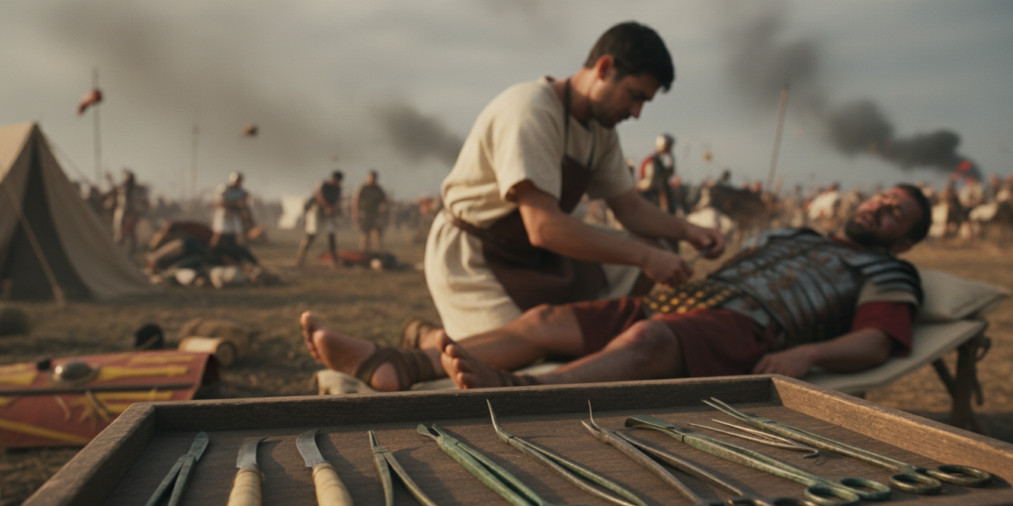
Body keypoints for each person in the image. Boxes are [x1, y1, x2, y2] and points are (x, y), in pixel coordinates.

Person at [301, 184, 931, 393]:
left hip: (750, 329)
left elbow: (877, 342)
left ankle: (525, 392)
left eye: (895, 212)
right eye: (881, 197)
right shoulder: (790, 234)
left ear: (904, 241)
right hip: (691, 301)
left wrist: (809, 354)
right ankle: (399, 363)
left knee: (647, 341)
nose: (879, 207)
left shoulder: (888, 273)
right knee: (546, 318)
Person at [424, 21, 724, 340]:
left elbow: (629, 207)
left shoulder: (601, 131)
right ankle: (426, 338)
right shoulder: (530, 110)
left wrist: (689, 231)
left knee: (636, 271)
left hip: (537, 256)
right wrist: (646, 257)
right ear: (605, 69)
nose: (636, 113)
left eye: (643, 103)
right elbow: (543, 227)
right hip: (475, 257)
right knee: (521, 359)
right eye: (634, 96)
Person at [297, 170, 344, 267]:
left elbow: (338, 200)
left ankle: (334, 260)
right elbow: (319, 196)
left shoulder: (338, 188)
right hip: (316, 211)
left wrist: (334, 209)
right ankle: (300, 258)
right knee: (310, 235)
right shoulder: (323, 184)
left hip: (329, 213)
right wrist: (326, 207)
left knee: (331, 235)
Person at [636, 133, 676, 213]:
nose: (670, 148)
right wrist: (664, 203)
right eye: (668, 145)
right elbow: (656, 182)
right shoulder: (653, 161)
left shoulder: (658, 160)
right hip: (649, 194)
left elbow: (668, 174)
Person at [211, 172, 251, 249]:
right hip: (224, 214)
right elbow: (220, 202)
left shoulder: (241, 191)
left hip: (235, 215)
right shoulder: (225, 188)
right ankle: (212, 250)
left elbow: (244, 202)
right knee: (219, 233)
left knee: (236, 235)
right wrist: (235, 204)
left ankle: (233, 251)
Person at [353, 170, 388, 252]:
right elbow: (355, 201)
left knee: (376, 233)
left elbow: (384, 201)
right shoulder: (363, 188)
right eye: (371, 177)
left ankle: (376, 252)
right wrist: (355, 213)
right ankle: (363, 252)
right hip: (364, 214)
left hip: (375, 214)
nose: (372, 179)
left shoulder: (378, 189)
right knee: (365, 233)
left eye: (374, 178)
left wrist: (384, 210)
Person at [112, 170, 141, 253]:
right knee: (120, 234)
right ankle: (117, 251)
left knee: (131, 235)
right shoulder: (124, 189)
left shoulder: (134, 190)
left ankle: (131, 253)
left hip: (130, 213)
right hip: (123, 213)